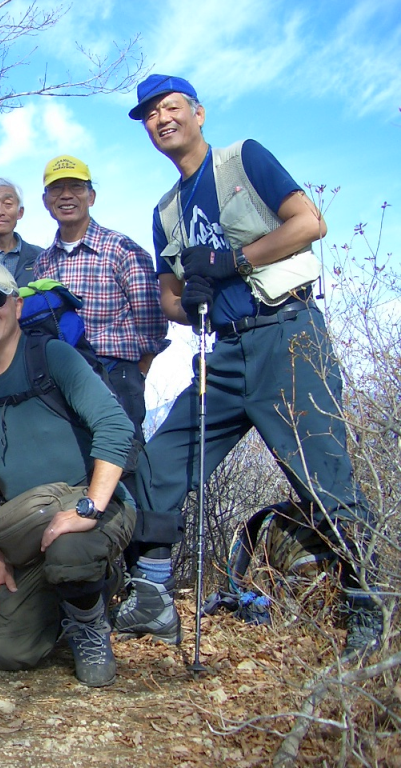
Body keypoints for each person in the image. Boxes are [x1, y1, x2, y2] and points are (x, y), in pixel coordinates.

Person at [116, 74, 380, 660]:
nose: (162, 119)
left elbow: (309, 222)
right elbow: (168, 297)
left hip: (287, 332)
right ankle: (151, 594)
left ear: (198, 113)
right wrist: (192, 297)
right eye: (151, 116)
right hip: (224, 351)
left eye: (172, 107)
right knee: (162, 458)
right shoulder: (166, 210)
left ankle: (368, 600)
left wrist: (233, 261)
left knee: (321, 468)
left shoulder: (243, 159)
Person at [0, 258, 135, 685]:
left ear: (15, 305)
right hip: (27, 523)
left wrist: (89, 507)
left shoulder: (53, 356)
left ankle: (90, 613)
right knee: (6, 652)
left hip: (92, 502)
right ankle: (66, 595)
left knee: (71, 549)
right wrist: (0, 554)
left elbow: (115, 425)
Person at [34, 155, 168, 469]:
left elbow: (153, 321)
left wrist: (138, 371)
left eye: (76, 187)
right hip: (63, 379)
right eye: (56, 189)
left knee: (124, 465)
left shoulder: (121, 249)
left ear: (91, 196)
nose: (66, 196)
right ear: (46, 201)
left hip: (116, 373)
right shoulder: (42, 263)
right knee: (75, 464)